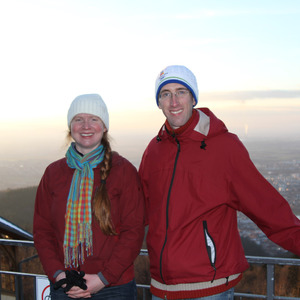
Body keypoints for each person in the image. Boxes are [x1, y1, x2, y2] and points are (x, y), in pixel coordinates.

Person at [138, 65, 300, 300]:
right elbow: (136, 209)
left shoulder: (224, 147)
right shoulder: (154, 149)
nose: (173, 101)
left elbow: (267, 206)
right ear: (159, 102)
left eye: (181, 92)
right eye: (165, 94)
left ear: (193, 97)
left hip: (208, 286)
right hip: (161, 287)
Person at [33, 94, 145, 299]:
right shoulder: (53, 173)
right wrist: (57, 274)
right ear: (70, 127)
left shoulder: (123, 171)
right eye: (78, 119)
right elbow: (42, 230)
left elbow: (134, 231)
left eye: (94, 119)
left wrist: (103, 278)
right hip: (65, 285)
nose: (86, 126)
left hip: (114, 287)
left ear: (104, 127)